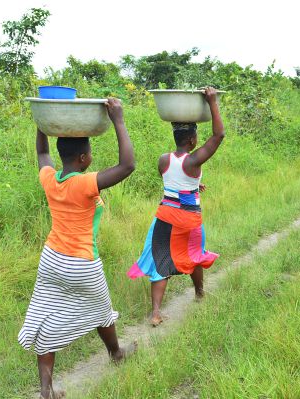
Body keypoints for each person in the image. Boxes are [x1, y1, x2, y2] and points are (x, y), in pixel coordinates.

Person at [18, 98, 136, 399]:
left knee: (46, 317)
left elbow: (42, 152)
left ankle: (46, 391)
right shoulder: (84, 184)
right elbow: (127, 166)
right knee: (103, 312)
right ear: (84, 158)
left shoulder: (50, 179)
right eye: (90, 153)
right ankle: (117, 354)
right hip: (81, 263)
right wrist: (118, 120)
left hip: (50, 260)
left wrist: (42, 122)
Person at [127, 87, 224, 326]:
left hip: (165, 216)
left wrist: (194, 186)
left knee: (161, 261)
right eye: (196, 138)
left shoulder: (163, 159)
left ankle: (156, 312)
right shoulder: (193, 160)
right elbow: (218, 136)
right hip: (188, 219)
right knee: (195, 255)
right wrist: (212, 101)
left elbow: (174, 182)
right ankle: (199, 293)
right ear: (192, 140)